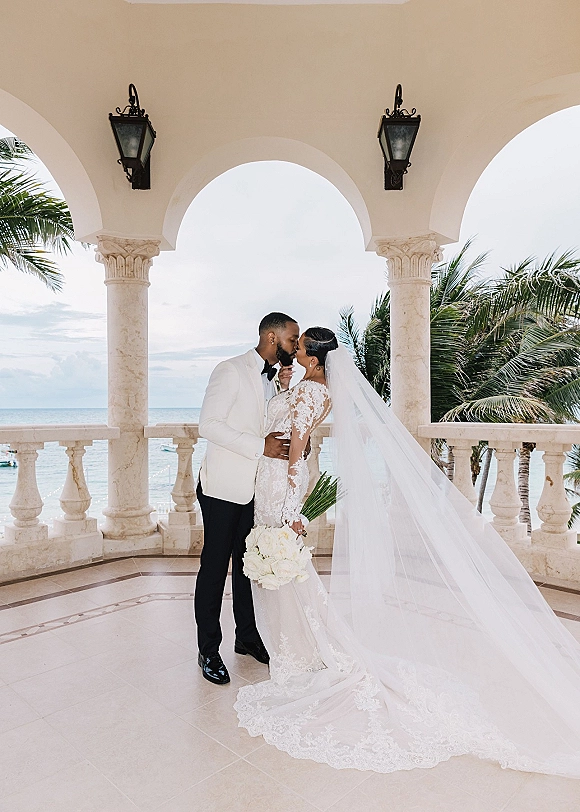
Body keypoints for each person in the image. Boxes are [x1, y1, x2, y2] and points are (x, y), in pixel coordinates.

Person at [235, 328, 580, 778]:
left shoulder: (311, 394)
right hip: (269, 478)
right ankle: (300, 650)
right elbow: (287, 423)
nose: (293, 349)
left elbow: (297, 452)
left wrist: (290, 511)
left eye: (299, 348)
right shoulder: (307, 386)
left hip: (279, 485)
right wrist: (283, 386)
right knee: (286, 576)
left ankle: (305, 654)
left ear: (315, 360)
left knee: (286, 572)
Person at [195, 312, 299, 684]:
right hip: (223, 488)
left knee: (246, 566)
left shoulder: (274, 378)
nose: (295, 346)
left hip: (255, 490)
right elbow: (208, 424)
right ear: (272, 337)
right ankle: (208, 651)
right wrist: (261, 447)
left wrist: (283, 391)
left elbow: (267, 418)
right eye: (291, 339)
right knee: (214, 569)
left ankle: (247, 637)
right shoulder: (231, 369)